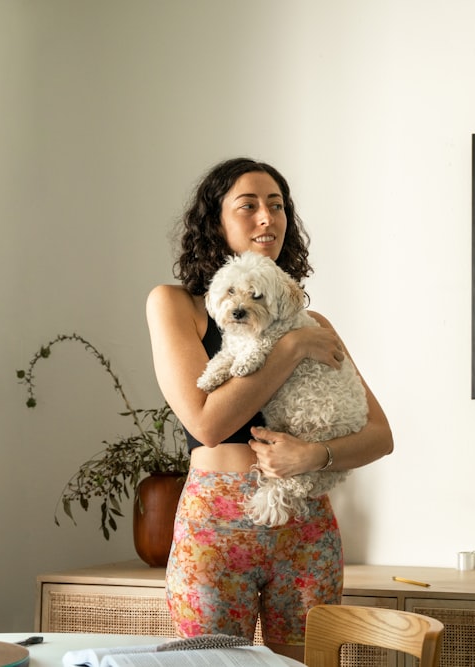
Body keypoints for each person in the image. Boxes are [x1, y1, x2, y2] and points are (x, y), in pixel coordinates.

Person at [146, 157, 393, 659]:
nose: (268, 218)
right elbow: (207, 422)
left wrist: (314, 456)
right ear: (215, 220)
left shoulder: (311, 319)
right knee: (210, 666)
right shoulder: (176, 304)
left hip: (303, 521)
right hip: (214, 525)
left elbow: (380, 435)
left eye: (277, 206)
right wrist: (292, 348)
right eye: (249, 205)